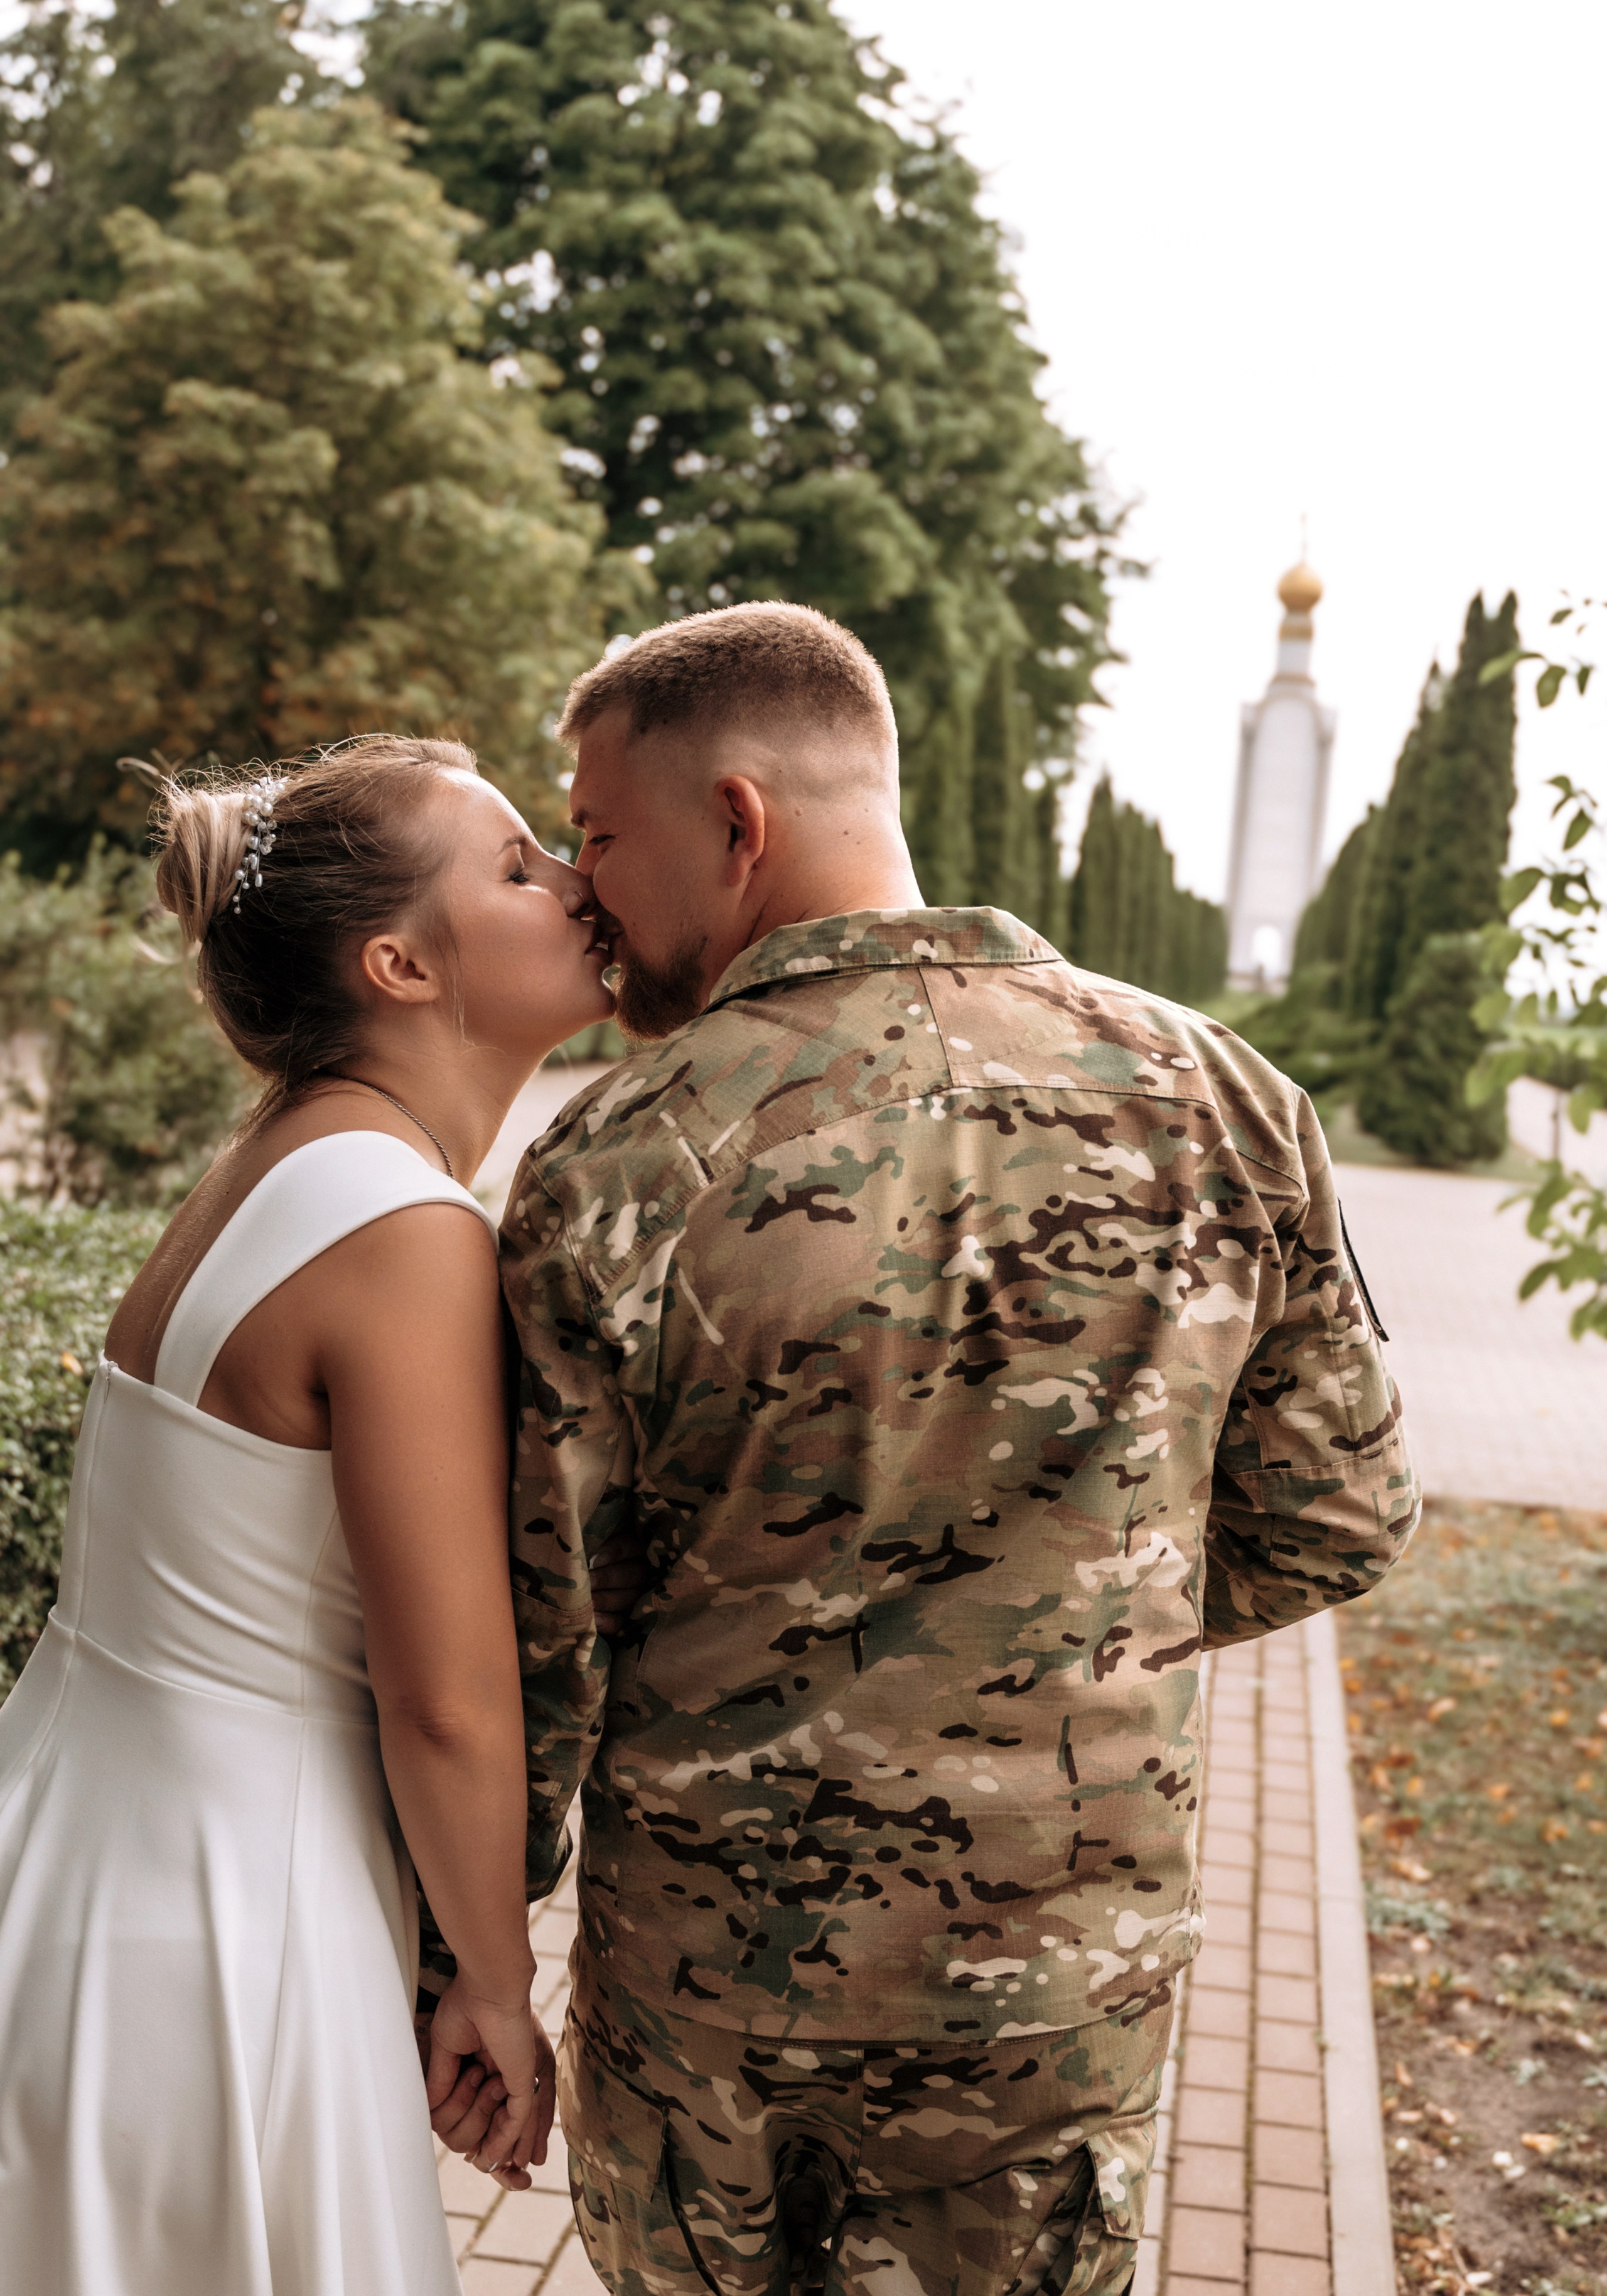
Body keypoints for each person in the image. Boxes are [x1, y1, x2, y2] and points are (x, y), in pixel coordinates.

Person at [480, 604, 1419, 2296]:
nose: (584, 887)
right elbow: (1339, 1516)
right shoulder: (1225, 1106)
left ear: (737, 822)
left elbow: (543, 1636)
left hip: (711, 1993)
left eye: (600, 836)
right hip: (1055, 1981)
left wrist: (465, 1963)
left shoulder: (614, 1163)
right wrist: (1066, 1612)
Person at [0, 735, 622, 2295]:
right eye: (518, 868)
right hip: (223, 1917)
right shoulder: (401, 1226)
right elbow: (445, 1700)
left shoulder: (276, 1161)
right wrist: (495, 1987)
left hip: (68, 1844)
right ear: (399, 965)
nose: (575, 883)